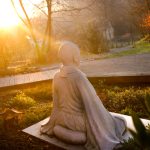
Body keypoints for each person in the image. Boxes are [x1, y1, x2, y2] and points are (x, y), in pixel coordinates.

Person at [40, 41, 129, 150]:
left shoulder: (56, 77)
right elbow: (94, 104)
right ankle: (81, 136)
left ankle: (60, 130)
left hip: (61, 119)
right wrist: (105, 119)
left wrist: (52, 123)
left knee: (62, 130)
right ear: (74, 56)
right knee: (119, 122)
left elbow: (56, 106)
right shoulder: (79, 77)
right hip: (78, 123)